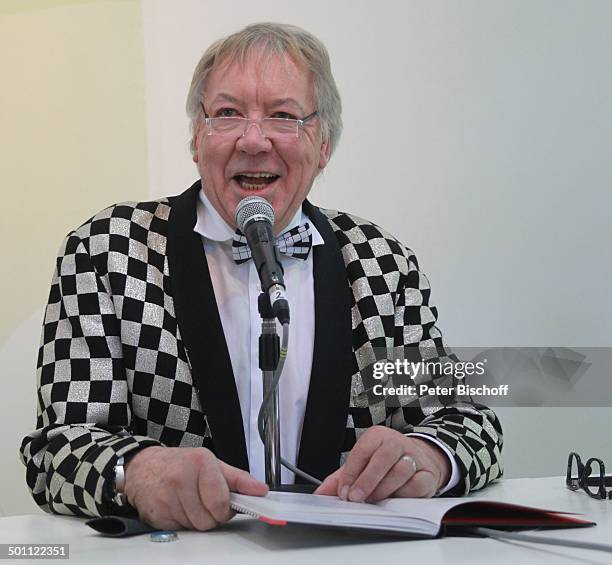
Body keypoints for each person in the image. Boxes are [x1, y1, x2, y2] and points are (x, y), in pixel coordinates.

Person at [20, 22, 503, 531]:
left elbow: (473, 423)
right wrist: (136, 472)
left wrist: (428, 456)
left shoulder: (381, 262)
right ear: (196, 138)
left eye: (284, 116)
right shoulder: (107, 253)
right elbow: (57, 451)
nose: (253, 139)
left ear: (323, 146)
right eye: (227, 114)